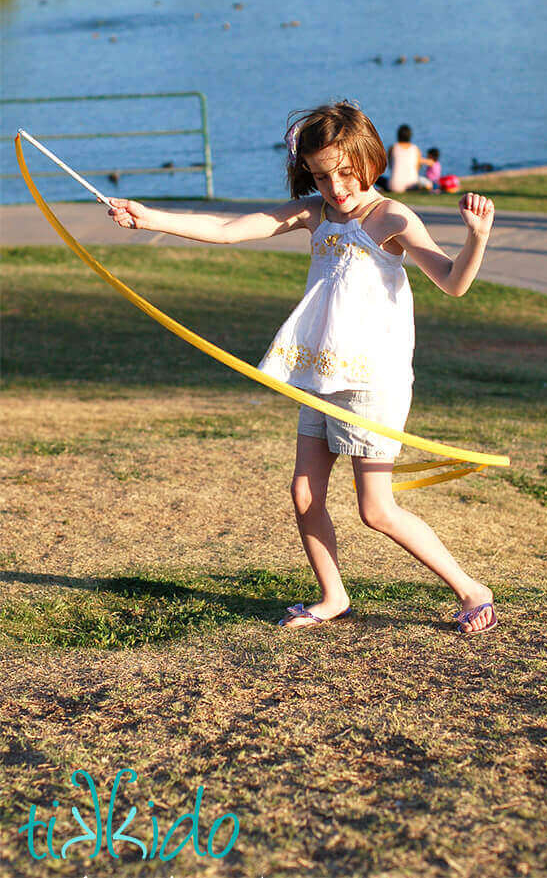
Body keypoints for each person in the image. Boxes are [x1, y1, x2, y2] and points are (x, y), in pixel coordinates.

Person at [107, 101, 497, 635]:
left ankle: (472, 589)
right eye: (320, 175)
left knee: (375, 509)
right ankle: (333, 595)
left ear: (369, 158)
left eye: (343, 172)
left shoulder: (391, 218)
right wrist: (149, 218)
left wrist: (476, 237)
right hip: (321, 375)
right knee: (305, 492)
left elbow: (453, 282)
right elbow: (229, 228)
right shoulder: (315, 213)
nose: (335, 187)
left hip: (370, 383)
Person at [377, 124, 423, 193]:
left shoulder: (392, 148)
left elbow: (390, 166)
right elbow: (417, 168)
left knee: (378, 178)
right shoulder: (416, 149)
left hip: (394, 186)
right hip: (412, 185)